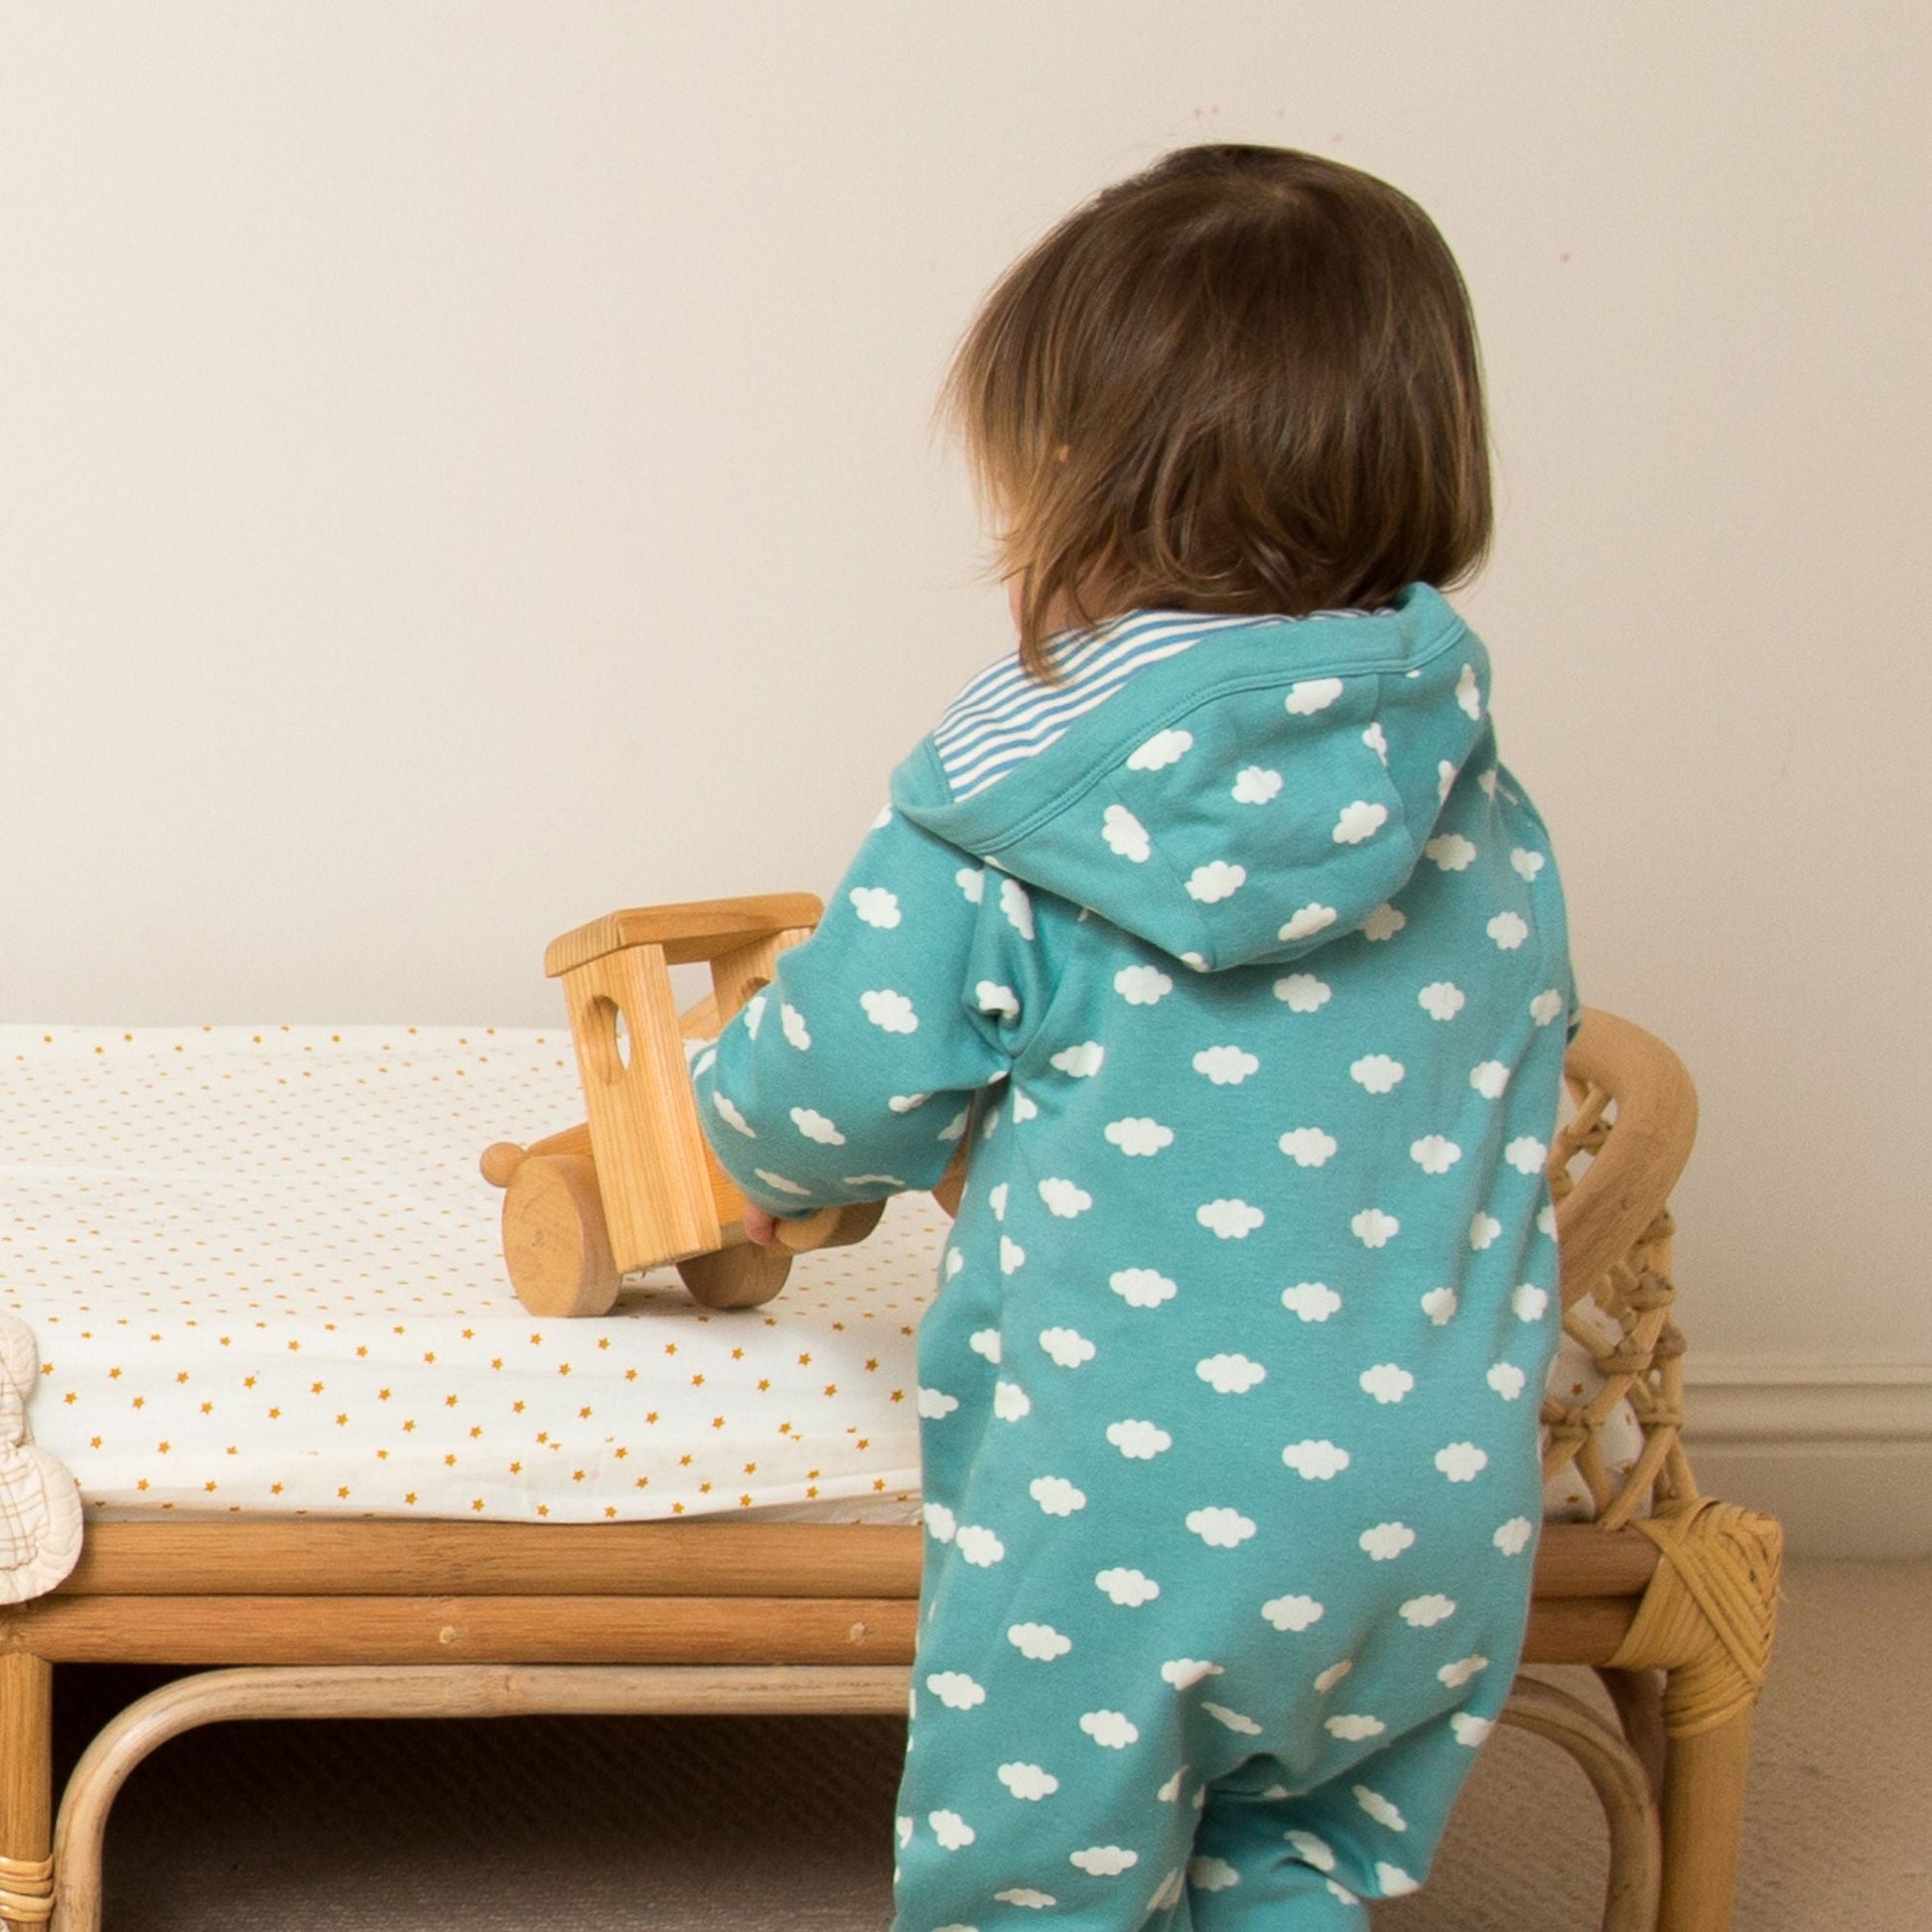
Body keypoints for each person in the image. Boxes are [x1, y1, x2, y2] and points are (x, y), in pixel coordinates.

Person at [693, 144, 1579, 1929]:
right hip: (1436, 1500)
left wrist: (737, 1130)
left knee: (1040, 1883)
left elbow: (843, 1085)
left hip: (1129, 1507)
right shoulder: (1468, 795)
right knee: (1290, 1857)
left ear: (1079, 483)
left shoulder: (1019, 806)